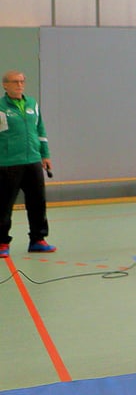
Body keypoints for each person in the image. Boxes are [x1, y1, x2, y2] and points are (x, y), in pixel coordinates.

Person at [0, 70, 56, 258]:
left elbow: (40, 129)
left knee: (37, 202)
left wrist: (45, 155)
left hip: (33, 161)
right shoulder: (1, 107)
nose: (20, 85)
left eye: (22, 81)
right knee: (4, 204)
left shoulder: (32, 104)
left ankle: (38, 240)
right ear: (5, 85)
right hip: (8, 163)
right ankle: (2, 242)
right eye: (15, 82)